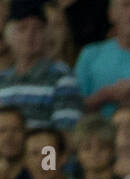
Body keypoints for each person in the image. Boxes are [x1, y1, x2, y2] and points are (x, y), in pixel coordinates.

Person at [0, 0, 83, 131]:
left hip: (46, 150)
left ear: (46, 34)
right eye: (22, 28)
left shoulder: (61, 76)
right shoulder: (2, 79)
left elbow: (66, 134)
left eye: (37, 28)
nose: (30, 35)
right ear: (8, 35)